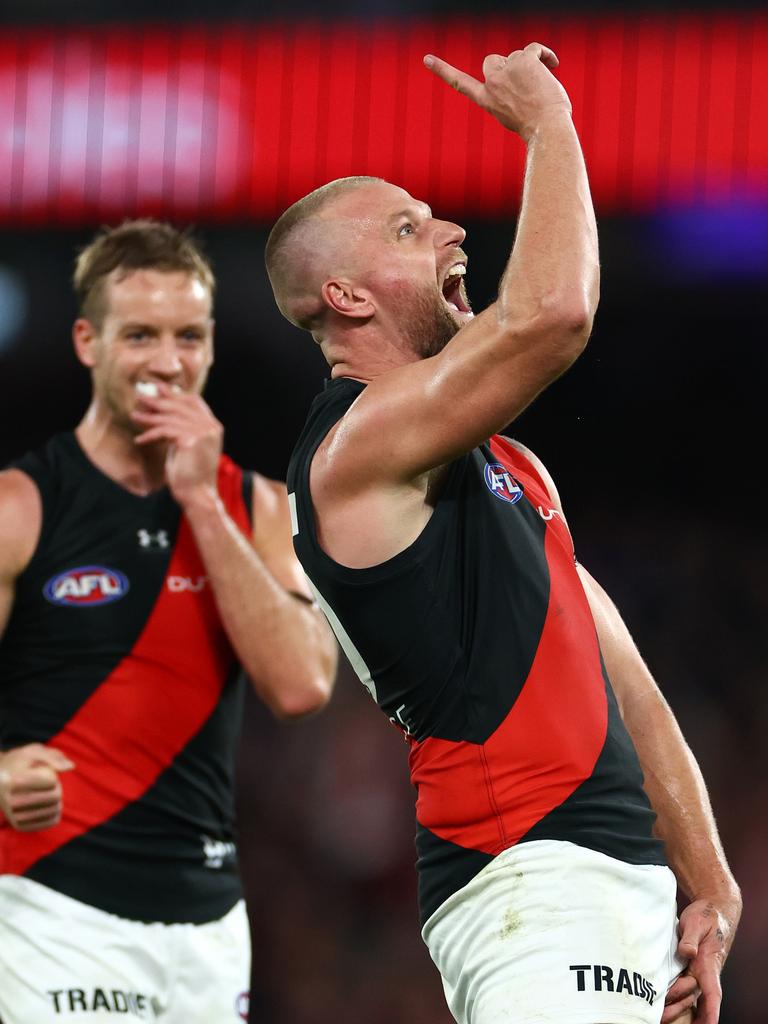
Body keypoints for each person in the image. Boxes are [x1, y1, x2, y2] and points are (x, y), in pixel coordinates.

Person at [265, 42, 741, 1024]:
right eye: (407, 227)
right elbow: (554, 313)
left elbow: (628, 682)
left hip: (609, 894)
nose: (447, 228)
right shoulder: (354, 447)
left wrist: (707, 882)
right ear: (347, 297)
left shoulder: (513, 468)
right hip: (532, 881)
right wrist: (548, 123)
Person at [0, 220, 337, 1023]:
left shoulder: (258, 509)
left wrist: (199, 501)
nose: (167, 362)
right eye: (141, 335)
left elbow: (302, 685)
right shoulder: (21, 507)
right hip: (54, 905)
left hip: (208, 926)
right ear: (89, 341)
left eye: (188, 336)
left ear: (212, 344)